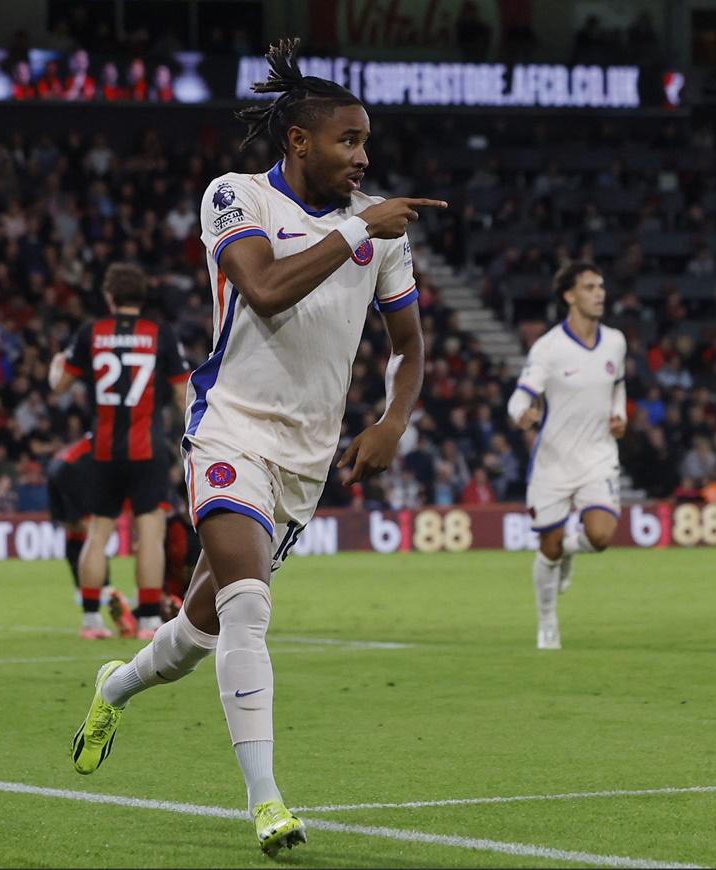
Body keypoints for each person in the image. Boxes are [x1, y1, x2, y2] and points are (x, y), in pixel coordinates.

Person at [68, 37, 444, 856]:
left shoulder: (381, 234)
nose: (362, 157)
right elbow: (266, 290)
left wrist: (391, 422)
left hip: (307, 460)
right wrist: (354, 231)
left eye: (367, 142)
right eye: (348, 141)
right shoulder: (234, 197)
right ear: (299, 141)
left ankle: (118, 682)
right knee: (248, 604)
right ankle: (269, 801)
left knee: (194, 639)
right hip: (229, 427)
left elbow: (409, 348)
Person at [50, 263, 190, 641]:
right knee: (150, 534)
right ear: (142, 297)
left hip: (105, 449)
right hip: (148, 448)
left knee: (97, 534)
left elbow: (59, 386)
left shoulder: (91, 333)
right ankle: (147, 621)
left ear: (109, 296)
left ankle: (91, 621)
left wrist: (56, 364)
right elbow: (181, 393)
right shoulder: (159, 333)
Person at [507, 262, 627, 650]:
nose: (600, 293)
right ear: (569, 296)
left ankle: (572, 552)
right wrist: (521, 415)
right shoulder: (548, 349)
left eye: (601, 286)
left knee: (602, 536)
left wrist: (620, 415)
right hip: (553, 462)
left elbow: (618, 387)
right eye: (590, 287)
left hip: (598, 456)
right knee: (549, 547)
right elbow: (519, 398)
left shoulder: (615, 342)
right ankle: (547, 624)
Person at [45, 436, 136, 639]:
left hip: (57, 467)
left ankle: (91, 596)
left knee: (76, 529)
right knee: (95, 535)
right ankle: (104, 589)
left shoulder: (100, 429)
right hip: (74, 470)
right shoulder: (124, 439)